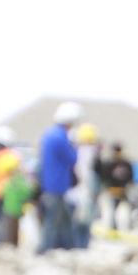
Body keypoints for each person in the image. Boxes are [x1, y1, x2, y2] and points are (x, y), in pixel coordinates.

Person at [38, 102, 82, 252]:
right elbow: (72, 159)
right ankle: (44, 249)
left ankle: (67, 247)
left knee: (63, 219)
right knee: (54, 220)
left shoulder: (49, 135)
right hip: (58, 185)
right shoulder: (61, 137)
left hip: (50, 184)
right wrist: (74, 145)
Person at [69, 123, 100, 248]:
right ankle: (81, 246)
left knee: (78, 223)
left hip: (76, 193)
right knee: (83, 224)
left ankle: (79, 246)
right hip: (84, 193)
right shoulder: (89, 153)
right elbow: (89, 176)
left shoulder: (76, 152)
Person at [96, 142, 135, 230]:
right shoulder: (109, 163)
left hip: (123, 190)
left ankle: (128, 226)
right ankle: (113, 228)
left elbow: (130, 177)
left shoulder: (125, 163)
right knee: (112, 211)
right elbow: (105, 177)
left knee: (126, 210)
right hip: (113, 190)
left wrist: (126, 187)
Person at [0, 153, 33, 247]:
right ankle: (13, 247)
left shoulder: (12, 180)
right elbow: (26, 192)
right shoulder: (18, 179)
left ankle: (11, 247)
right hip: (15, 208)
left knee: (10, 231)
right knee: (13, 230)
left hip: (11, 208)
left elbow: (3, 193)